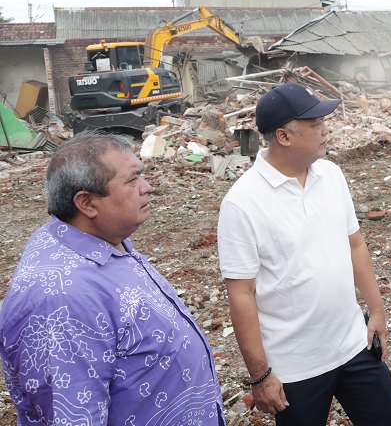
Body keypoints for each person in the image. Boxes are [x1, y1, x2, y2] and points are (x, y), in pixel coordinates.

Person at [0, 131, 225, 425]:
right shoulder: (60, 300)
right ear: (87, 203)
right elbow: (74, 416)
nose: (147, 187)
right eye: (132, 181)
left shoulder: (101, 240)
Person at [217, 83, 391, 426]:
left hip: (353, 344)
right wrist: (260, 376)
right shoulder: (242, 203)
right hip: (294, 367)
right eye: (316, 124)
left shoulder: (331, 175)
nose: (326, 130)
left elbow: (355, 244)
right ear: (284, 136)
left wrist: (376, 311)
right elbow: (241, 293)